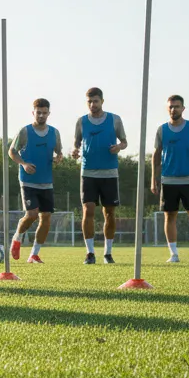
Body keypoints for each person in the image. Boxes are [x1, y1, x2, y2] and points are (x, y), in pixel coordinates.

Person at [71, 87, 128, 265]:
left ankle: (108, 253)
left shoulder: (114, 119)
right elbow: (76, 143)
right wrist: (74, 151)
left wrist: (118, 147)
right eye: (89, 101)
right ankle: (89, 253)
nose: (92, 104)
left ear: (102, 101)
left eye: (95, 101)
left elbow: (124, 142)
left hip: (109, 173)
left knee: (109, 213)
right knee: (88, 210)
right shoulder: (81, 121)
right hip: (88, 173)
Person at [151, 94, 189, 263]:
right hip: (168, 180)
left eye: (176, 106)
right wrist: (153, 178)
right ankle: (174, 254)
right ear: (167, 108)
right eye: (170, 106)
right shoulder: (162, 129)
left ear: (183, 108)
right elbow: (156, 154)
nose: (173, 109)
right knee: (170, 217)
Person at [7, 98, 64, 262]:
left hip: (46, 181)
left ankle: (34, 254)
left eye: (44, 113)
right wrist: (23, 164)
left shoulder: (54, 133)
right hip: (28, 180)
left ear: (48, 113)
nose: (41, 115)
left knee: (46, 218)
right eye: (38, 112)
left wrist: (59, 158)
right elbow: (12, 151)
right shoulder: (25, 131)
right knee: (31, 214)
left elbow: (59, 153)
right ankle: (17, 238)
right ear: (33, 113)